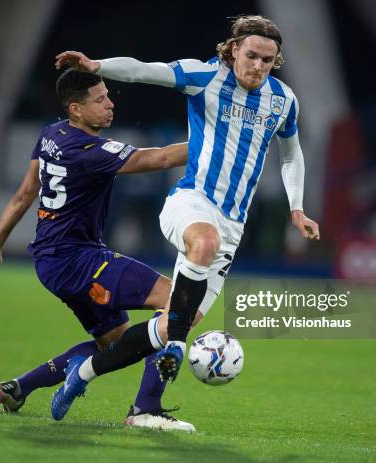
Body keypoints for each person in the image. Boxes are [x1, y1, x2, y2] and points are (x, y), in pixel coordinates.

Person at [50, 14, 320, 411]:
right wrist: (97, 67)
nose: (258, 66)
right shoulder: (206, 77)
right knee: (201, 252)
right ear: (233, 50)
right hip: (190, 202)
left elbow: (292, 153)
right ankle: (175, 344)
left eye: (268, 60)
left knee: (174, 320)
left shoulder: (283, 100)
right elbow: (146, 71)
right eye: (251, 56)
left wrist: (297, 208)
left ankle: (90, 375)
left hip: (233, 227)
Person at [0, 68, 199, 432]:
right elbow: (159, 159)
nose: (110, 105)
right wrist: (219, 143)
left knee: (116, 346)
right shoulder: (90, 151)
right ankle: (147, 408)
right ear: (76, 110)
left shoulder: (51, 134)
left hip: (50, 263)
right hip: (79, 260)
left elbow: (23, 195)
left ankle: (21, 387)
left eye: (108, 95)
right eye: (100, 100)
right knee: (178, 303)